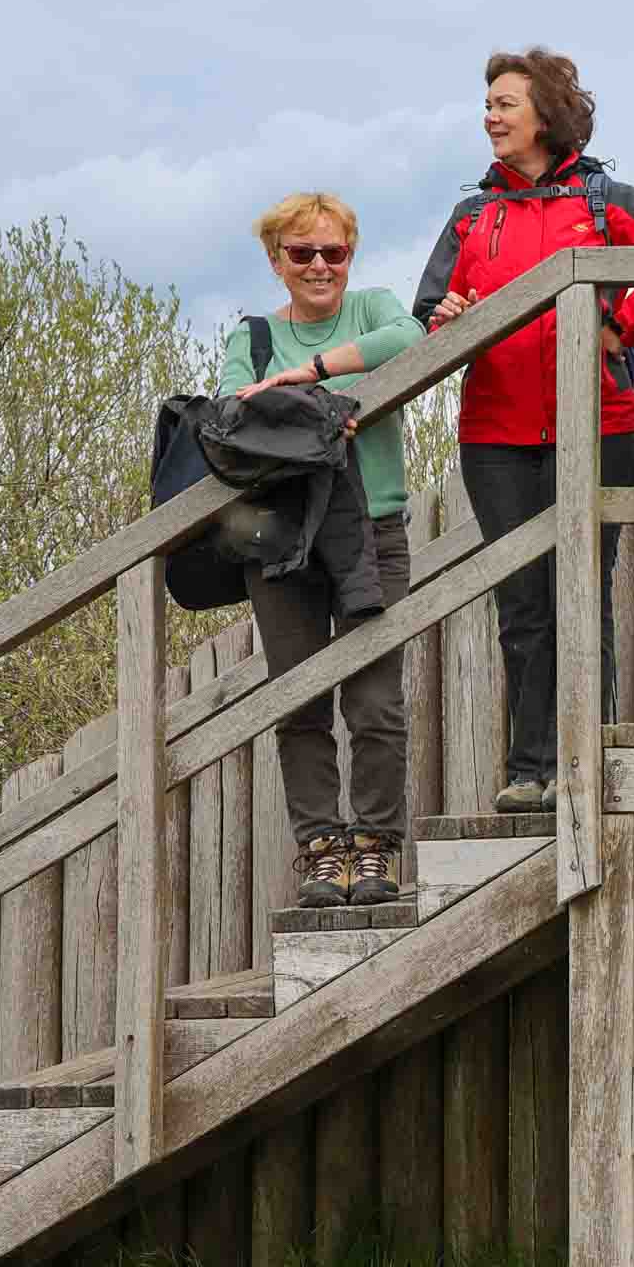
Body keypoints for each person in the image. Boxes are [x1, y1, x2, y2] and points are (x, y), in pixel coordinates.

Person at [416, 49, 634, 813]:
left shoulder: (602, 201)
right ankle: (529, 767)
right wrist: (445, 320)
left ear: (545, 114)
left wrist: (624, 325)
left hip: (596, 427)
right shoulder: (471, 217)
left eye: (505, 103)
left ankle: (582, 760)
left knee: (581, 592)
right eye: (488, 105)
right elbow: (427, 314)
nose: (490, 116)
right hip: (494, 437)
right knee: (523, 606)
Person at [221, 192, 421, 906]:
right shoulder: (253, 339)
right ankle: (320, 851)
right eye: (302, 252)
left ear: (350, 256)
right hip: (282, 539)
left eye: (333, 252)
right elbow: (234, 414)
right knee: (300, 701)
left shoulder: (372, 310)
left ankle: (375, 847)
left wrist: (308, 380)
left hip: (373, 530)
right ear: (276, 261)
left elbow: (410, 337)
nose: (319, 266)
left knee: (374, 702)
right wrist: (330, 413)